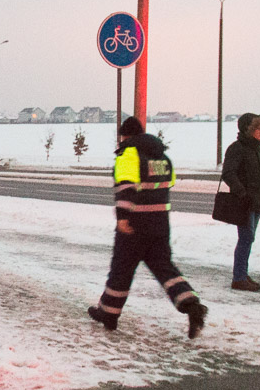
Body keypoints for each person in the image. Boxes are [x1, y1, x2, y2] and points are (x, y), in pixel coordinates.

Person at [88, 117, 208, 339]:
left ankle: (109, 314)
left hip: (135, 224)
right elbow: (170, 182)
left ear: (126, 136)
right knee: (165, 269)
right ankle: (192, 305)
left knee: (121, 269)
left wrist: (123, 218)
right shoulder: (163, 156)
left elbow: (125, 187)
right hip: (160, 223)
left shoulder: (129, 154)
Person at [221, 113, 260, 292]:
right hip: (244, 203)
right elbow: (228, 173)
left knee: (248, 239)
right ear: (248, 129)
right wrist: (242, 193)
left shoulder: (259, 150)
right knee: (246, 238)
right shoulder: (237, 149)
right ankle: (239, 278)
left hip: (257, 202)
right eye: (258, 128)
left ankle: (242, 274)